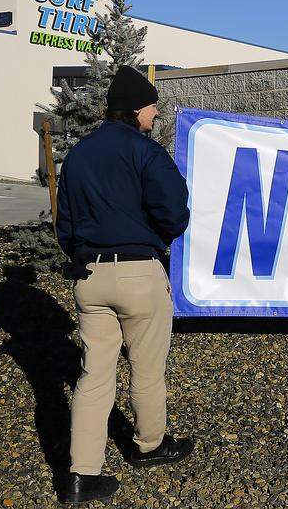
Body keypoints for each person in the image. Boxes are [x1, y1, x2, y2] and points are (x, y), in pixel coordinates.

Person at [55, 65, 194, 504]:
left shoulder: (78, 154)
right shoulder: (146, 153)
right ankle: (150, 446)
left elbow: (65, 222)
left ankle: (82, 474)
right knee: (147, 367)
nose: (155, 114)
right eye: (152, 107)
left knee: (93, 375)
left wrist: (80, 255)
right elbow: (174, 212)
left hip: (89, 277)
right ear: (136, 109)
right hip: (138, 273)